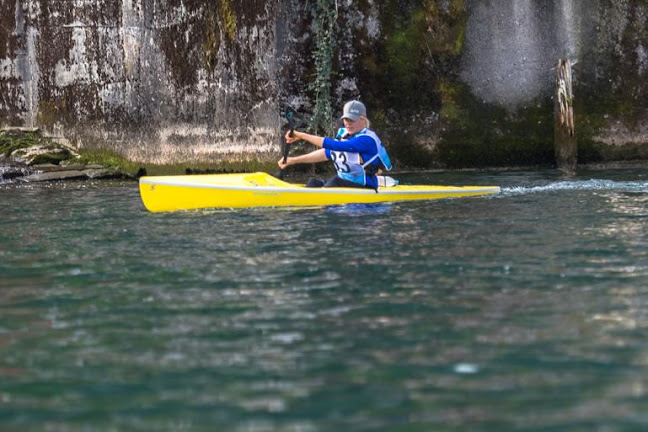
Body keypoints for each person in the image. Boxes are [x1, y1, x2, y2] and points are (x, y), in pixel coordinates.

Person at [277, 100, 392, 189]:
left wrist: (302, 135)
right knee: (314, 182)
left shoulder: (367, 139)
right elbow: (326, 153)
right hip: (343, 181)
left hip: (365, 185)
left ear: (363, 119)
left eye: (352, 120)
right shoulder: (344, 134)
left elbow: (335, 146)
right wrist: (293, 160)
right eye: (346, 119)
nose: (347, 123)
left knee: (334, 182)